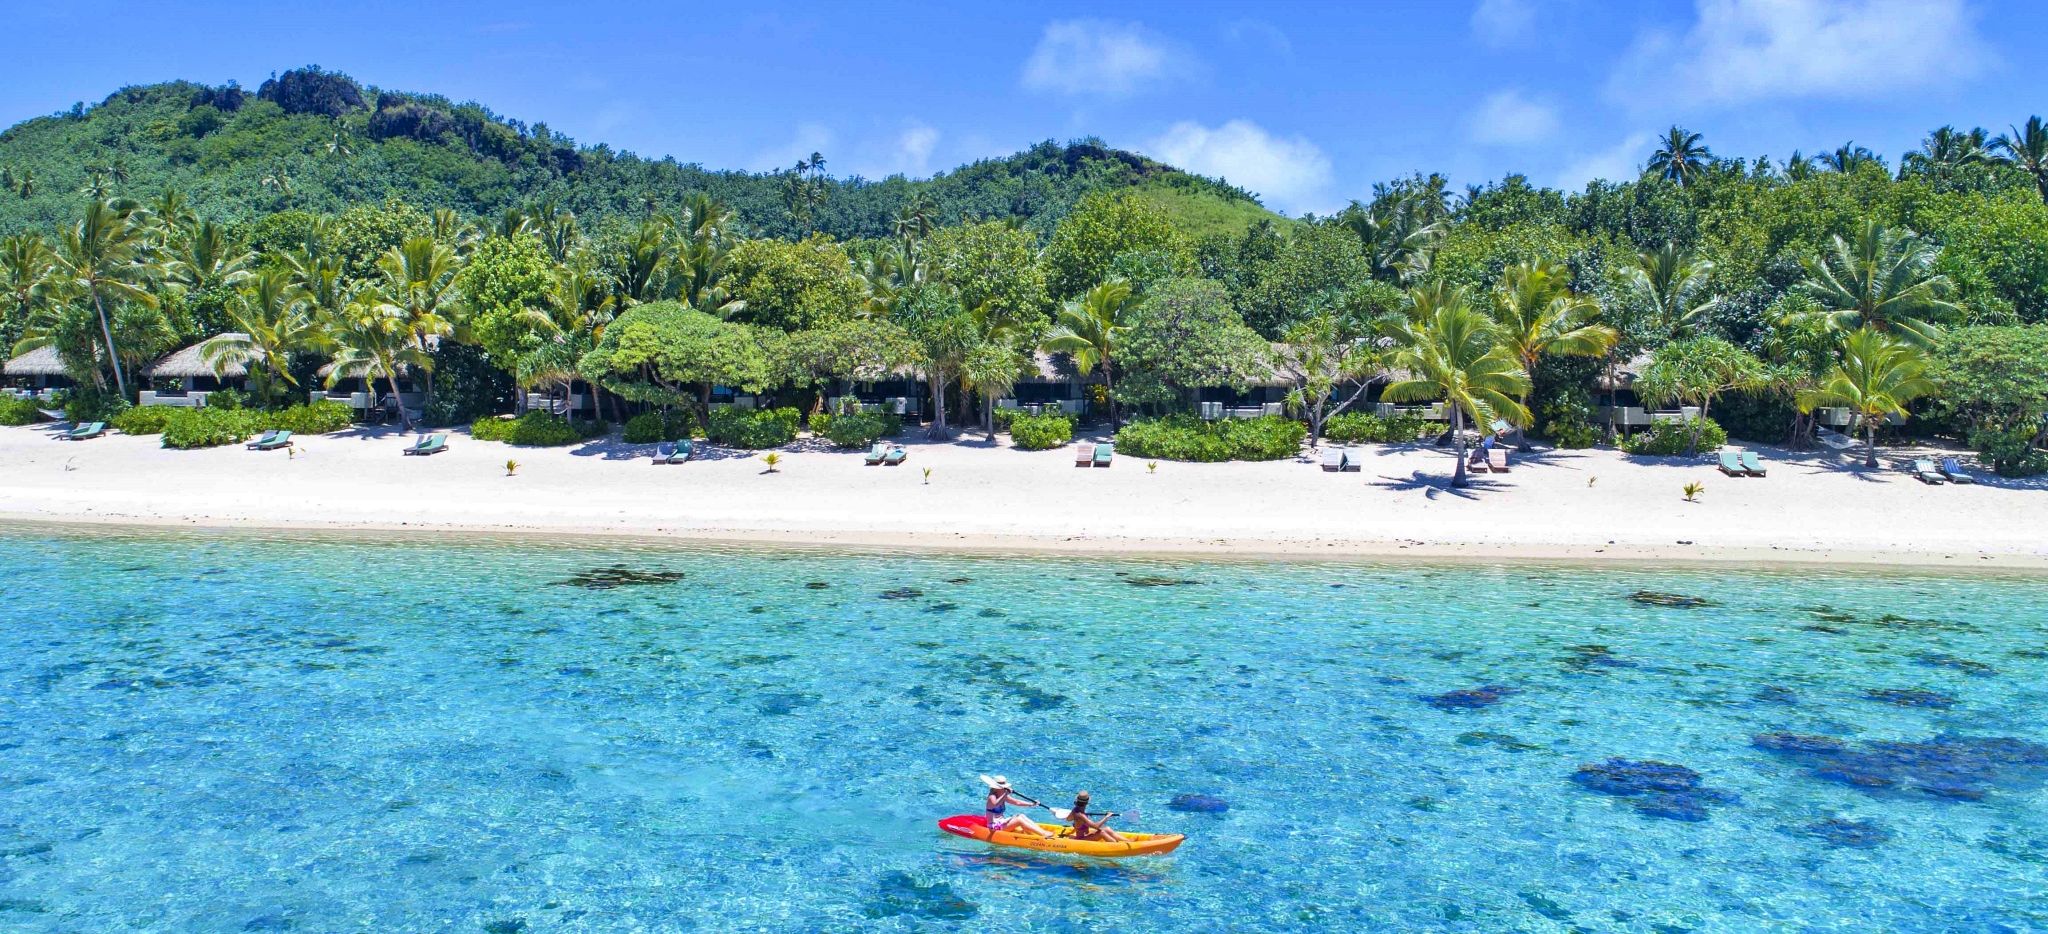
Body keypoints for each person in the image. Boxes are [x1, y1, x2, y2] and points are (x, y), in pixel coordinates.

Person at [980, 775, 1053, 838]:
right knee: (1019, 820)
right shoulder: (992, 797)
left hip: (1002, 822)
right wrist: (1005, 793)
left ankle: (1037, 832)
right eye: (1003, 787)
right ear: (996, 788)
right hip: (994, 827)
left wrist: (1031, 804)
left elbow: (1017, 802)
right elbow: (995, 804)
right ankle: (1043, 834)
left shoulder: (1003, 796)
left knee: (1021, 815)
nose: (1004, 788)